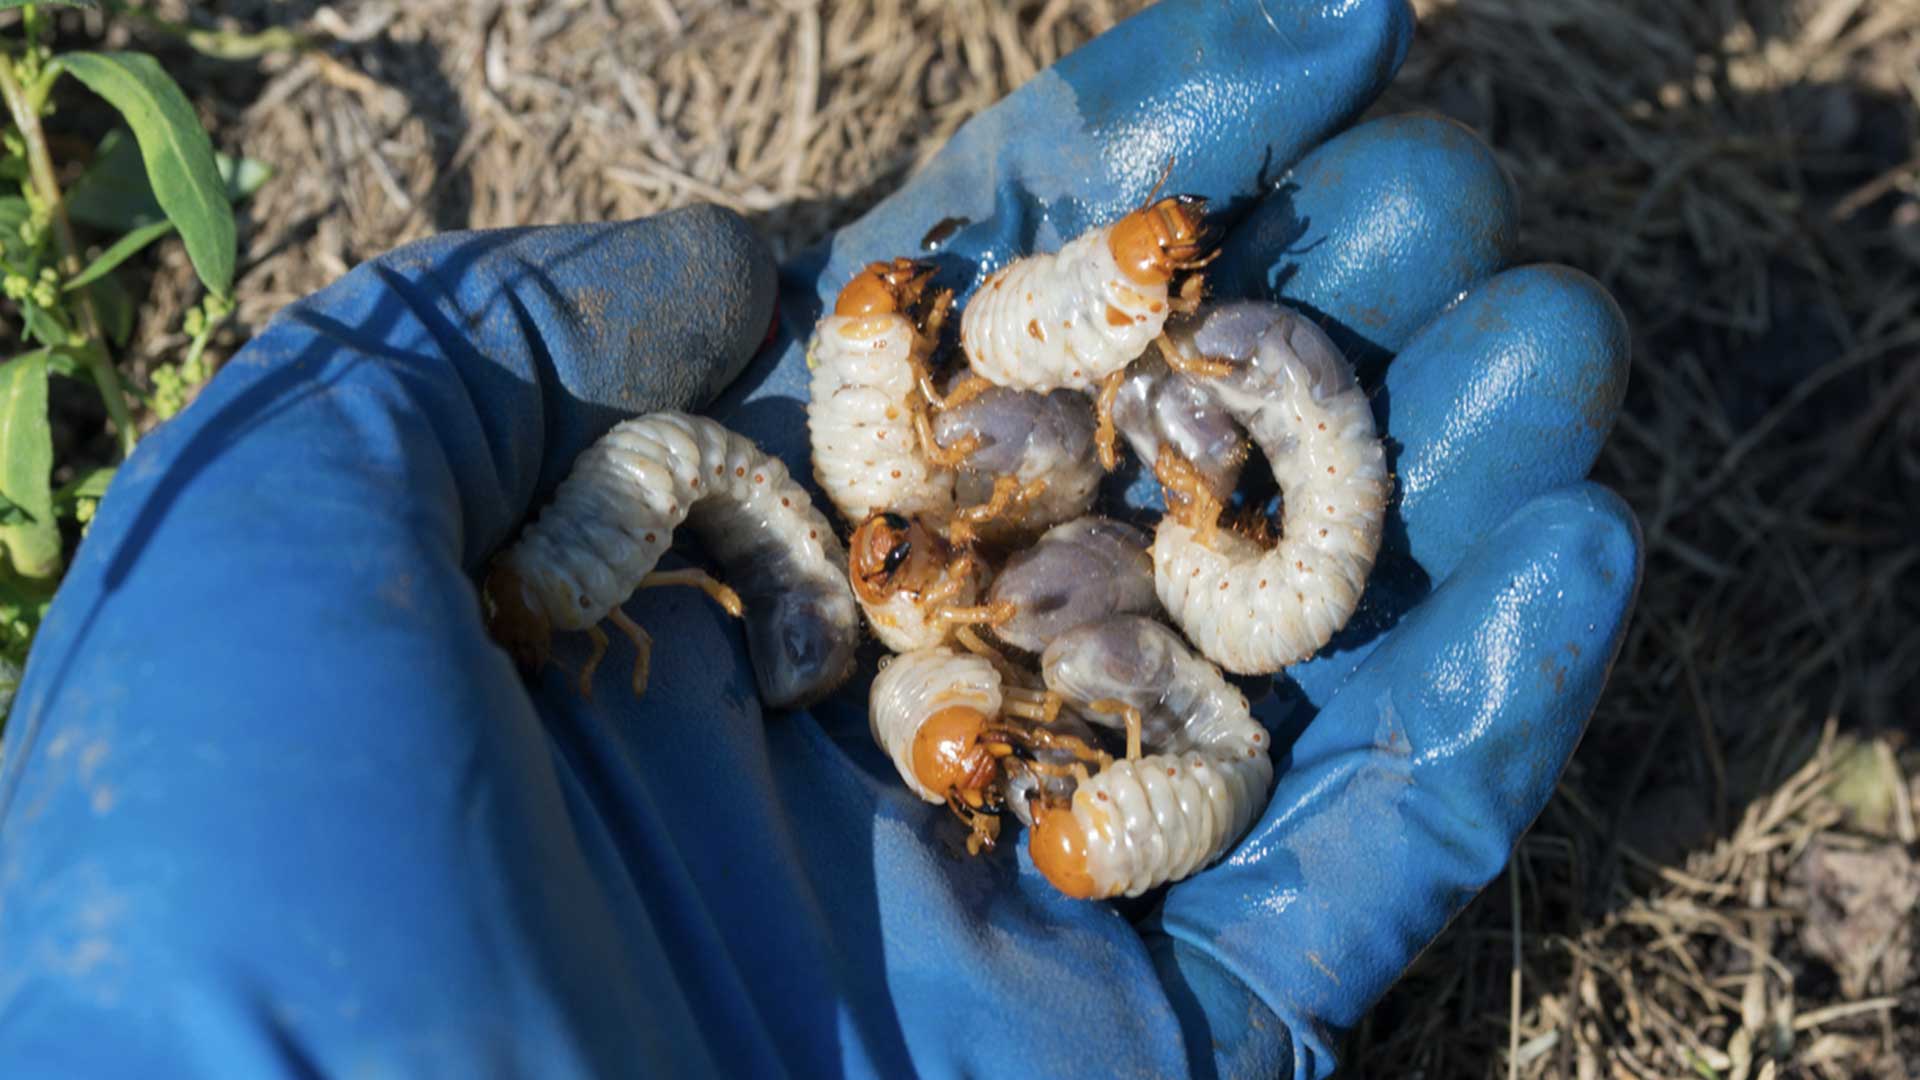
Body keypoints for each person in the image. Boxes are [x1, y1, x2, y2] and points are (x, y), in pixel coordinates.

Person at [0, 1, 1640, 1075]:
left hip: (1060, 544)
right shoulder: (941, 624)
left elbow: (733, 479)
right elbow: (726, 502)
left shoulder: (993, 512)